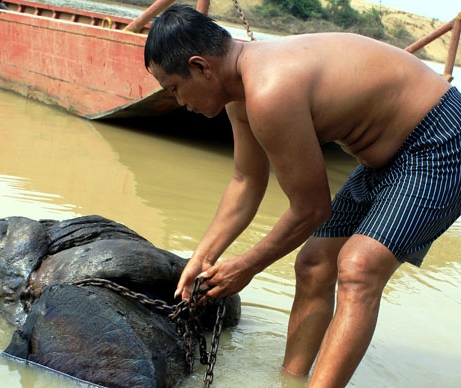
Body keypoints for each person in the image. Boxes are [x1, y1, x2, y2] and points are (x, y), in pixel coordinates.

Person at [144, 5, 461, 388]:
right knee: (313, 264)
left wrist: (246, 266)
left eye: (175, 89)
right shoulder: (239, 94)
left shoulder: (269, 89)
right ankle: (289, 380)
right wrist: (203, 257)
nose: (179, 102)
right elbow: (246, 181)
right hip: (384, 158)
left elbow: (311, 209)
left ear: (200, 67)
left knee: (359, 268)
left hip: (441, 140)